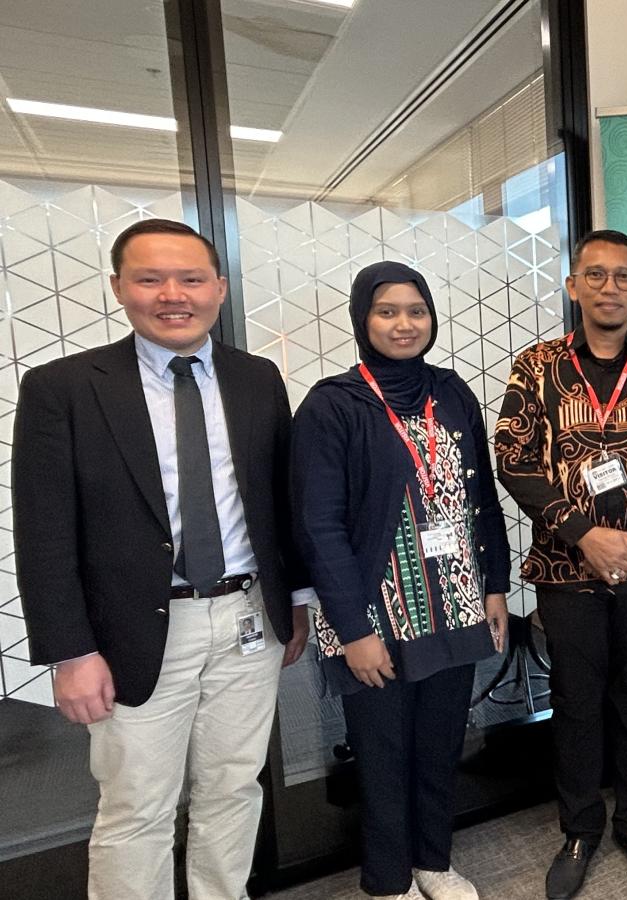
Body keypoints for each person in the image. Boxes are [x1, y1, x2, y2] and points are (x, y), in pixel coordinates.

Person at [12, 218, 313, 899]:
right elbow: (45, 533)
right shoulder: (64, 388)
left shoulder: (257, 377)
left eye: (191, 278)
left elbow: (277, 502)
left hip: (247, 619)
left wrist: (293, 602)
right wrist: (70, 651)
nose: (172, 294)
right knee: (137, 806)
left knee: (234, 786)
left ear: (220, 287)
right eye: (150, 278)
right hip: (134, 634)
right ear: (119, 287)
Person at [495, 229, 627, 900]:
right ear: (573, 286)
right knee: (576, 700)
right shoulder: (536, 367)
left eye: (623, 277)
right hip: (566, 570)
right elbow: (515, 461)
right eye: (596, 275)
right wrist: (585, 535)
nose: (609, 287)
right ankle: (581, 828)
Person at [291, 261, 510, 900]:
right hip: (372, 612)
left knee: (441, 744)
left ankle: (433, 862)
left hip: (456, 600)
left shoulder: (453, 393)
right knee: (383, 754)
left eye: (416, 311)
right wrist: (354, 629)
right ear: (363, 319)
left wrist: (494, 586)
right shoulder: (333, 405)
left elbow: (483, 501)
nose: (404, 324)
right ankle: (387, 881)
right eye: (387, 311)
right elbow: (318, 526)